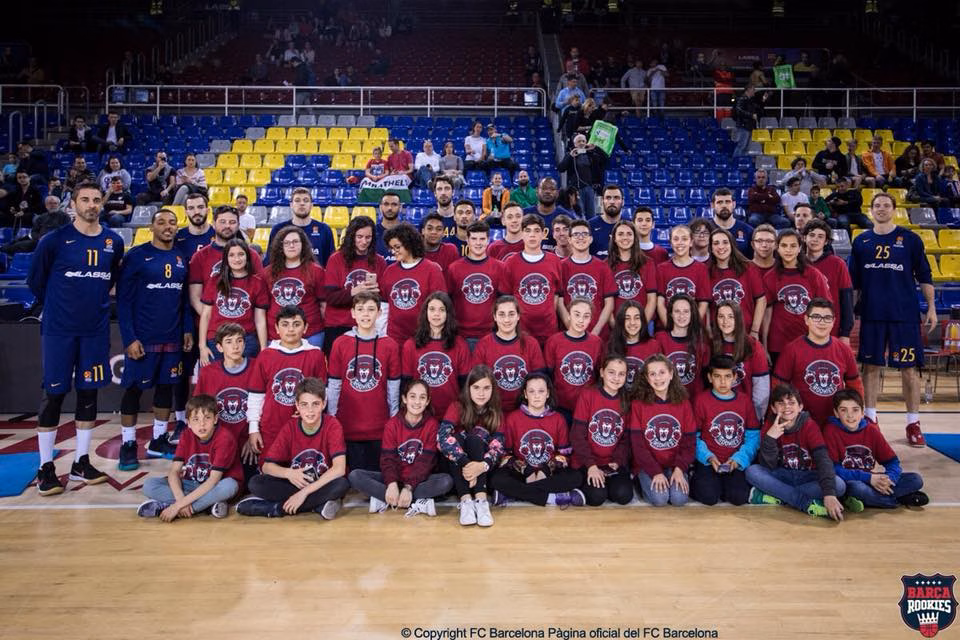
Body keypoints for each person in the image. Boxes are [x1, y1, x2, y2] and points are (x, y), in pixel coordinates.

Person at [27, 182, 124, 495]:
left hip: (94, 331)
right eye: (85, 199)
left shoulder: (113, 241)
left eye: (96, 199)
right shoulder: (54, 241)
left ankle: (81, 462)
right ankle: (45, 467)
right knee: (53, 394)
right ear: (73, 204)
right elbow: (36, 282)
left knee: (88, 393)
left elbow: (110, 280)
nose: (92, 205)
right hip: (60, 330)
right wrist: (60, 307)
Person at [849, 192, 936, 447]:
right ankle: (870, 419)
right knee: (870, 367)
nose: (881, 209)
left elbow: (925, 276)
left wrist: (931, 308)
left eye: (886, 205)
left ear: (894, 209)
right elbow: (853, 284)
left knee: (909, 370)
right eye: (877, 205)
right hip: (872, 315)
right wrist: (849, 312)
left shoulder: (910, 239)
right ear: (871, 210)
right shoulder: (861, 241)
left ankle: (913, 423)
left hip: (904, 315)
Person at [116, 209, 192, 469]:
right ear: (151, 227)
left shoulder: (181, 258)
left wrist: (187, 329)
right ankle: (128, 444)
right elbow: (123, 301)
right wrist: (129, 338)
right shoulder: (136, 256)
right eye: (161, 222)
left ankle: (159, 440)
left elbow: (184, 300)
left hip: (172, 337)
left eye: (172, 223)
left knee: (166, 388)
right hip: (143, 338)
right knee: (134, 390)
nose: (167, 227)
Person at [237, 378, 349, 519]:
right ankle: (317, 506)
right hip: (297, 483)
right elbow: (266, 467)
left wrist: (303, 493)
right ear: (297, 405)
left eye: (315, 404)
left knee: (341, 484)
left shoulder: (332, 425)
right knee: (256, 483)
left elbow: (339, 468)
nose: (310, 410)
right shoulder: (290, 427)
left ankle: (276, 509)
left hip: (321, 483)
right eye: (304, 405)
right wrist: (289, 473)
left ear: (324, 404)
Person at [348, 379, 453, 517]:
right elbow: (388, 459)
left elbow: (426, 463)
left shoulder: (432, 425)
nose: (417, 402)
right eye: (412, 396)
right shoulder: (392, 424)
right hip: (395, 478)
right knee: (355, 476)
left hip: (419, 481)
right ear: (404, 399)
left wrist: (408, 487)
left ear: (427, 401)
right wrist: (392, 484)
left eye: (422, 397)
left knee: (446, 481)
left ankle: (387, 499)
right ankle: (414, 500)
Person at [744, 384, 846, 520]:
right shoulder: (769, 425)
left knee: (839, 485)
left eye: (791, 403)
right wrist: (770, 438)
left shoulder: (809, 425)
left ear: (800, 407)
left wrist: (829, 495)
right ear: (773, 408)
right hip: (782, 475)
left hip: (807, 476)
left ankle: (778, 496)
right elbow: (768, 466)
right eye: (781, 403)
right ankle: (805, 503)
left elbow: (823, 459)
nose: (787, 407)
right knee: (752, 471)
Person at [326, 292, 402, 471]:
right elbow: (334, 384)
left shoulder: (389, 345)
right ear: (353, 313)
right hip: (348, 425)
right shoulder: (340, 343)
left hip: (379, 426)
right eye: (360, 309)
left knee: (375, 476)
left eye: (371, 309)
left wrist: (393, 419)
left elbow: (393, 386)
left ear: (379, 313)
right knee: (352, 476)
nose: (365, 314)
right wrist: (332, 418)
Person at [136, 394, 240, 520]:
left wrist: (177, 506)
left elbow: (213, 480)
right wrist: (180, 499)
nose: (202, 424)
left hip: (214, 486)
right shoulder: (186, 435)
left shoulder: (224, 438)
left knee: (230, 486)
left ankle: (171, 507)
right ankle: (207, 506)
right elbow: (174, 471)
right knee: (149, 485)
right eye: (196, 419)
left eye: (207, 418)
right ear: (188, 423)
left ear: (215, 419)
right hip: (191, 484)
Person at [489, 372, 585, 507]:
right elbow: (506, 455)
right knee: (497, 479)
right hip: (522, 473)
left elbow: (564, 455)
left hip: (549, 474)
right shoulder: (512, 418)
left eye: (541, 391)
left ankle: (512, 494)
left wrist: (545, 470)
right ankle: (553, 498)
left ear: (548, 393)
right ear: (525, 394)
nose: (536, 395)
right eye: (531, 391)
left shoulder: (558, 419)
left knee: (576, 477)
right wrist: (526, 470)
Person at [824, 389, 928, 509]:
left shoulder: (871, 430)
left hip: (873, 480)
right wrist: (868, 478)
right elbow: (834, 469)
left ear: (862, 412)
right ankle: (897, 500)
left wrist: (889, 480)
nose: (850, 415)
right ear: (836, 413)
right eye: (843, 410)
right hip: (852, 481)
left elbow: (892, 462)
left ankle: (876, 499)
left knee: (915, 479)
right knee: (857, 488)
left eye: (855, 410)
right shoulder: (831, 431)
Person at [773, 298, 863, 427]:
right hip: (801, 423)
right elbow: (778, 387)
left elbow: (855, 385)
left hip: (836, 422)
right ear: (806, 319)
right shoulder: (792, 350)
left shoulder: (844, 350)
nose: (822, 322)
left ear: (834, 321)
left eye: (827, 318)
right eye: (816, 317)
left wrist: (859, 411)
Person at [439, 365, 505, 526]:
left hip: (483, 468)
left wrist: (482, 466)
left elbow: (498, 446)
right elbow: (442, 437)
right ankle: (466, 501)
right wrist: (468, 465)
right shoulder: (457, 406)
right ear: (468, 388)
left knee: (475, 440)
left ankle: (481, 501)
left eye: (486, 388)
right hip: (458, 467)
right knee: (456, 439)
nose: (481, 393)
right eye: (476, 387)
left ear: (493, 389)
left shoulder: (496, 412)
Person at [691, 355, 760, 506]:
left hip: (734, 460)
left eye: (727, 376)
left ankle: (723, 485)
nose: (723, 382)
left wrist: (739, 459)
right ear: (710, 378)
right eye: (717, 376)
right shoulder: (701, 400)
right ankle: (697, 477)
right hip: (709, 460)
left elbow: (753, 436)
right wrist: (708, 457)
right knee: (709, 497)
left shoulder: (744, 401)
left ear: (735, 377)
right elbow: (693, 436)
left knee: (738, 498)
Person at [629, 354, 695, 507]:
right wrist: (655, 472)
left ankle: (681, 475)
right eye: (652, 374)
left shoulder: (684, 403)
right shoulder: (638, 404)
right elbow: (638, 446)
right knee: (660, 499)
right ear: (647, 378)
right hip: (648, 465)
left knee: (679, 499)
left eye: (662, 372)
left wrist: (679, 469)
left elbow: (689, 442)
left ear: (671, 374)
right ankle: (639, 482)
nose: (658, 378)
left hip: (674, 465)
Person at [193, 323, 258, 477]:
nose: (235, 346)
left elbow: (266, 408)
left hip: (247, 443)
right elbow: (197, 411)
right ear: (219, 347)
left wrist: (253, 435)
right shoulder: (208, 373)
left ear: (244, 344)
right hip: (218, 443)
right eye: (229, 342)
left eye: (239, 341)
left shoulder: (257, 367)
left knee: (249, 483)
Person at [571, 355, 634, 506]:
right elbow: (577, 435)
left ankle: (607, 483)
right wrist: (591, 465)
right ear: (601, 372)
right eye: (611, 372)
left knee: (623, 495)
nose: (616, 378)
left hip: (611, 464)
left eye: (621, 374)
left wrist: (618, 460)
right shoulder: (588, 395)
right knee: (597, 497)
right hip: (587, 462)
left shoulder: (627, 399)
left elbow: (626, 438)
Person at [761, 229, 829, 364]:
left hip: (807, 339)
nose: (788, 250)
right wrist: (764, 345)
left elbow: (824, 310)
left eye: (793, 246)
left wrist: (821, 340)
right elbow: (766, 313)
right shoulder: (770, 277)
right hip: (778, 342)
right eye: (784, 245)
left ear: (799, 248)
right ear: (777, 248)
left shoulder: (813, 275)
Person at [322, 216, 386, 353]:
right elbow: (331, 297)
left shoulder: (379, 261)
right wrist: (354, 291)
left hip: (368, 324)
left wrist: (376, 293)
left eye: (368, 237)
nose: (364, 241)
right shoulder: (336, 259)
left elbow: (384, 299)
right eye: (359, 237)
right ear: (351, 236)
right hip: (338, 324)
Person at [401, 292, 470, 418]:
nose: (436, 314)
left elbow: (465, 385)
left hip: (451, 414)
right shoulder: (410, 345)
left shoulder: (460, 344)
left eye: (441, 310)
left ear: (448, 314)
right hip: (420, 414)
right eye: (432, 309)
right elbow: (406, 384)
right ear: (425, 312)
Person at [472, 295, 546, 411]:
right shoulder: (483, 344)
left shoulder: (531, 344)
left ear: (518, 316)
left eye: (511, 314)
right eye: (501, 314)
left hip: (524, 408)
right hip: (492, 409)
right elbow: (476, 383)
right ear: (494, 317)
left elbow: (539, 381)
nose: (506, 320)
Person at [380, 222, 447, 344]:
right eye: (391, 248)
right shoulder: (389, 271)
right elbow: (384, 306)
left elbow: (440, 305)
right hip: (395, 337)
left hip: (423, 336)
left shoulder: (432, 270)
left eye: (397, 247)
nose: (393, 251)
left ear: (409, 244)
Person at [447, 221, 507, 351]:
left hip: (492, 334)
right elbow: (448, 303)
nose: (478, 243)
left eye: (482, 239)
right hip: (461, 335)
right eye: (474, 239)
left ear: (488, 240)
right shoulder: (454, 268)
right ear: (467, 240)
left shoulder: (500, 268)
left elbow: (505, 303)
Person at [504, 214, 563, 346]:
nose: (532, 235)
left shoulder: (554, 260)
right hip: (520, 330)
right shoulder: (511, 262)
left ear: (543, 234)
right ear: (522, 234)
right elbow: (506, 298)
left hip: (548, 330)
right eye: (528, 231)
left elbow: (557, 294)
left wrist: (547, 312)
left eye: (536, 231)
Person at [264, 226, 326, 348]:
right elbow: (263, 309)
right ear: (280, 246)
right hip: (276, 336)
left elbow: (323, 306)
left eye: (295, 242)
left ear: (303, 245)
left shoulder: (316, 271)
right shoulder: (267, 273)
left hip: (311, 334)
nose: (291, 246)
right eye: (286, 243)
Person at [545, 297, 603, 421]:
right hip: (561, 405)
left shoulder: (596, 342)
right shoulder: (554, 341)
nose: (581, 320)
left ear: (591, 319)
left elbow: (599, 374)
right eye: (577, 314)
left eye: (586, 316)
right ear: (569, 315)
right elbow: (548, 375)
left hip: (587, 405)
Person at [711, 301, 770, 422]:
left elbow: (761, 390)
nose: (725, 321)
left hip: (745, 412)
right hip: (717, 411)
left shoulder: (753, 346)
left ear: (738, 319)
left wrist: (754, 418)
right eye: (721, 316)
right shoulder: (710, 344)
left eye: (731, 316)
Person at [707, 227, 766, 336]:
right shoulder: (707, 271)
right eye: (716, 243)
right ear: (711, 248)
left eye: (725, 242)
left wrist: (754, 330)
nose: (721, 247)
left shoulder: (749, 268)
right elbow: (705, 305)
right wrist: (708, 329)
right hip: (718, 333)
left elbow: (761, 300)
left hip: (745, 331)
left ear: (732, 245)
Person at [803, 219, 854, 341]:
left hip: (829, 329)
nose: (815, 239)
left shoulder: (838, 264)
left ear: (826, 241)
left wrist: (845, 333)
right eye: (811, 235)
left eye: (820, 236)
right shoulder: (796, 263)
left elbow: (846, 299)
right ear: (804, 238)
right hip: (801, 329)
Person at [657, 293, 709, 400]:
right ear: (671, 314)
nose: (681, 316)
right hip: (668, 400)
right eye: (677, 311)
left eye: (686, 311)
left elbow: (705, 376)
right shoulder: (660, 339)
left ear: (692, 314)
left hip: (694, 400)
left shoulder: (701, 341)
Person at [266, 187, 335, 268]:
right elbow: (270, 261)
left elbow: (331, 264)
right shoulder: (278, 230)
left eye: (306, 200)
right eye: (297, 200)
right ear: (291, 205)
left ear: (311, 205)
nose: (302, 203)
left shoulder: (324, 230)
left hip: (316, 275)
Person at [656, 224, 710, 326]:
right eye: (676, 239)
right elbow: (660, 303)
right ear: (671, 243)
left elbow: (703, 303)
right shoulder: (661, 268)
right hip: (669, 327)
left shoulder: (701, 269)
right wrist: (670, 327)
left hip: (693, 328)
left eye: (684, 239)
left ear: (691, 242)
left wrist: (692, 327)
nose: (680, 242)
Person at [607, 220, 658, 326]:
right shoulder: (605, 265)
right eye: (620, 234)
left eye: (629, 234)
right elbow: (606, 302)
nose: (625, 237)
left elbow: (652, 299)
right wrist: (614, 326)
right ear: (614, 238)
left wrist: (641, 326)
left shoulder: (648, 263)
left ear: (635, 238)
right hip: (616, 325)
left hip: (644, 323)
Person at [0, 195, 68, 255]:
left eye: (55, 203)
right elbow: (34, 231)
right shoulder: (42, 217)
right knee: (17, 243)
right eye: (50, 203)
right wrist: (39, 238)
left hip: (54, 243)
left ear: (59, 205)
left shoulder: (65, 217)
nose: (52, 205)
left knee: (21, 245)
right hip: (39, 241)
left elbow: (67, 232)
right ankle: (3, 250)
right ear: (46, 205)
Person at [557, 134, 599, 219]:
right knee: (579, 214)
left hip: (589, 188)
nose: (581, 143)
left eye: (583, 141)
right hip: (576, 190)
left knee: (592, 214)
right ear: (575, 144)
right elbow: (561, 168)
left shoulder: (590, 155)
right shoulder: (570, 155)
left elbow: (600, 166)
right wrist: (570, 156)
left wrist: (593, 151)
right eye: (579, 141)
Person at [710, 188, 753, 257]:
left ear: (734, 204)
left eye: (728, 202)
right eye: (719, 202)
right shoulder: (706, 230)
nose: (724, 205)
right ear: (712, 205)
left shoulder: (748, 230)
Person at [586, 185, 624, 260]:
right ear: (602, 201)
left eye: (616, 198)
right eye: (608, 198)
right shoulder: (589, 226)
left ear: (622, 202)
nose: (612, 202)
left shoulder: (630, 226)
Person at [732, 85, 758, 157]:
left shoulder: (750, 100)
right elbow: (739, 111)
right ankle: (736, 161)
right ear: (748, 89)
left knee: (746, 147)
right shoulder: (742, 99)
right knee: (742, 146)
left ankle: (742, 161)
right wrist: (751, 115)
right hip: (743, 125)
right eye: (753, 89)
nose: (754, 91)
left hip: (749, 125)